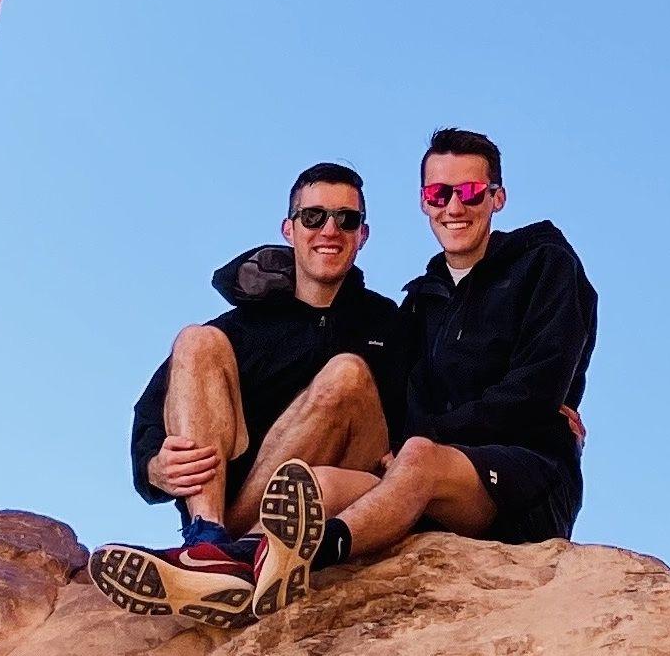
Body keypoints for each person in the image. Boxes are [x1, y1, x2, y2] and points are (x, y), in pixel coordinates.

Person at [233, 128, 596, 603]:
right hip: (424, 483)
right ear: (423, 202)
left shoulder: (545, 267)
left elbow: (534, 393)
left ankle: (312, 554)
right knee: (317, 484)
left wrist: (422, 440)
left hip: (525, 478)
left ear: (497, 198)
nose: (454, 207)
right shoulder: (419, 306)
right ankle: (230, 569)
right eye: (437, 193)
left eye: (469, 192)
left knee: (421, 456)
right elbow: (387, 397)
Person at [87, 165, 401, 624]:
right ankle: (214, 546)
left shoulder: (388, 323)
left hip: (345, 485)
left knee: (347, 374)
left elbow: (434, 399)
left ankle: (228, 562)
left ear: (363, 235)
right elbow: (155, 407)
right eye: (313, 217)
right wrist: (156, 467)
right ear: (288, 228)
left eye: (345, 220)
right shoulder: (243, 326)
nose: (329, 230)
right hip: (237, 506)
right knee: (195, 341)